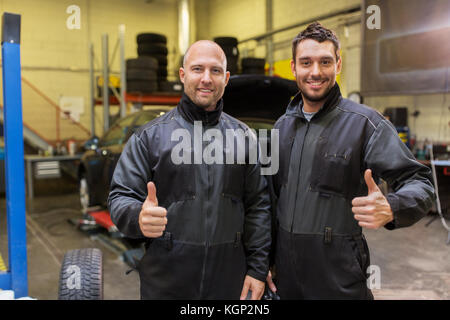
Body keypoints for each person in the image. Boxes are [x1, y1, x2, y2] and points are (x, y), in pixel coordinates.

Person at [266, 22, 435, 299]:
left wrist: (392, 206)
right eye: (306, 62)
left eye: (325, 62)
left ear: (339, 64)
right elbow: (270, 200)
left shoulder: (365, 125)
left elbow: (420, 181)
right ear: (294, 67)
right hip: (286, 277)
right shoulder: (281, 128)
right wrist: (264, 260)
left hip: (339, 278)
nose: (316, 72)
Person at [108, 40, 271, 300]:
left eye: (215, 71)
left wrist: (258, 269)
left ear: (226, 78)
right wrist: (137, 216)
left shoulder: (244, 138)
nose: (206, 78)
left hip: (230, 283)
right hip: (166, 281)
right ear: (183, 75)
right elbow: (120, 196)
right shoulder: (149, 137)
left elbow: (258, 207)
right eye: (197, 69)